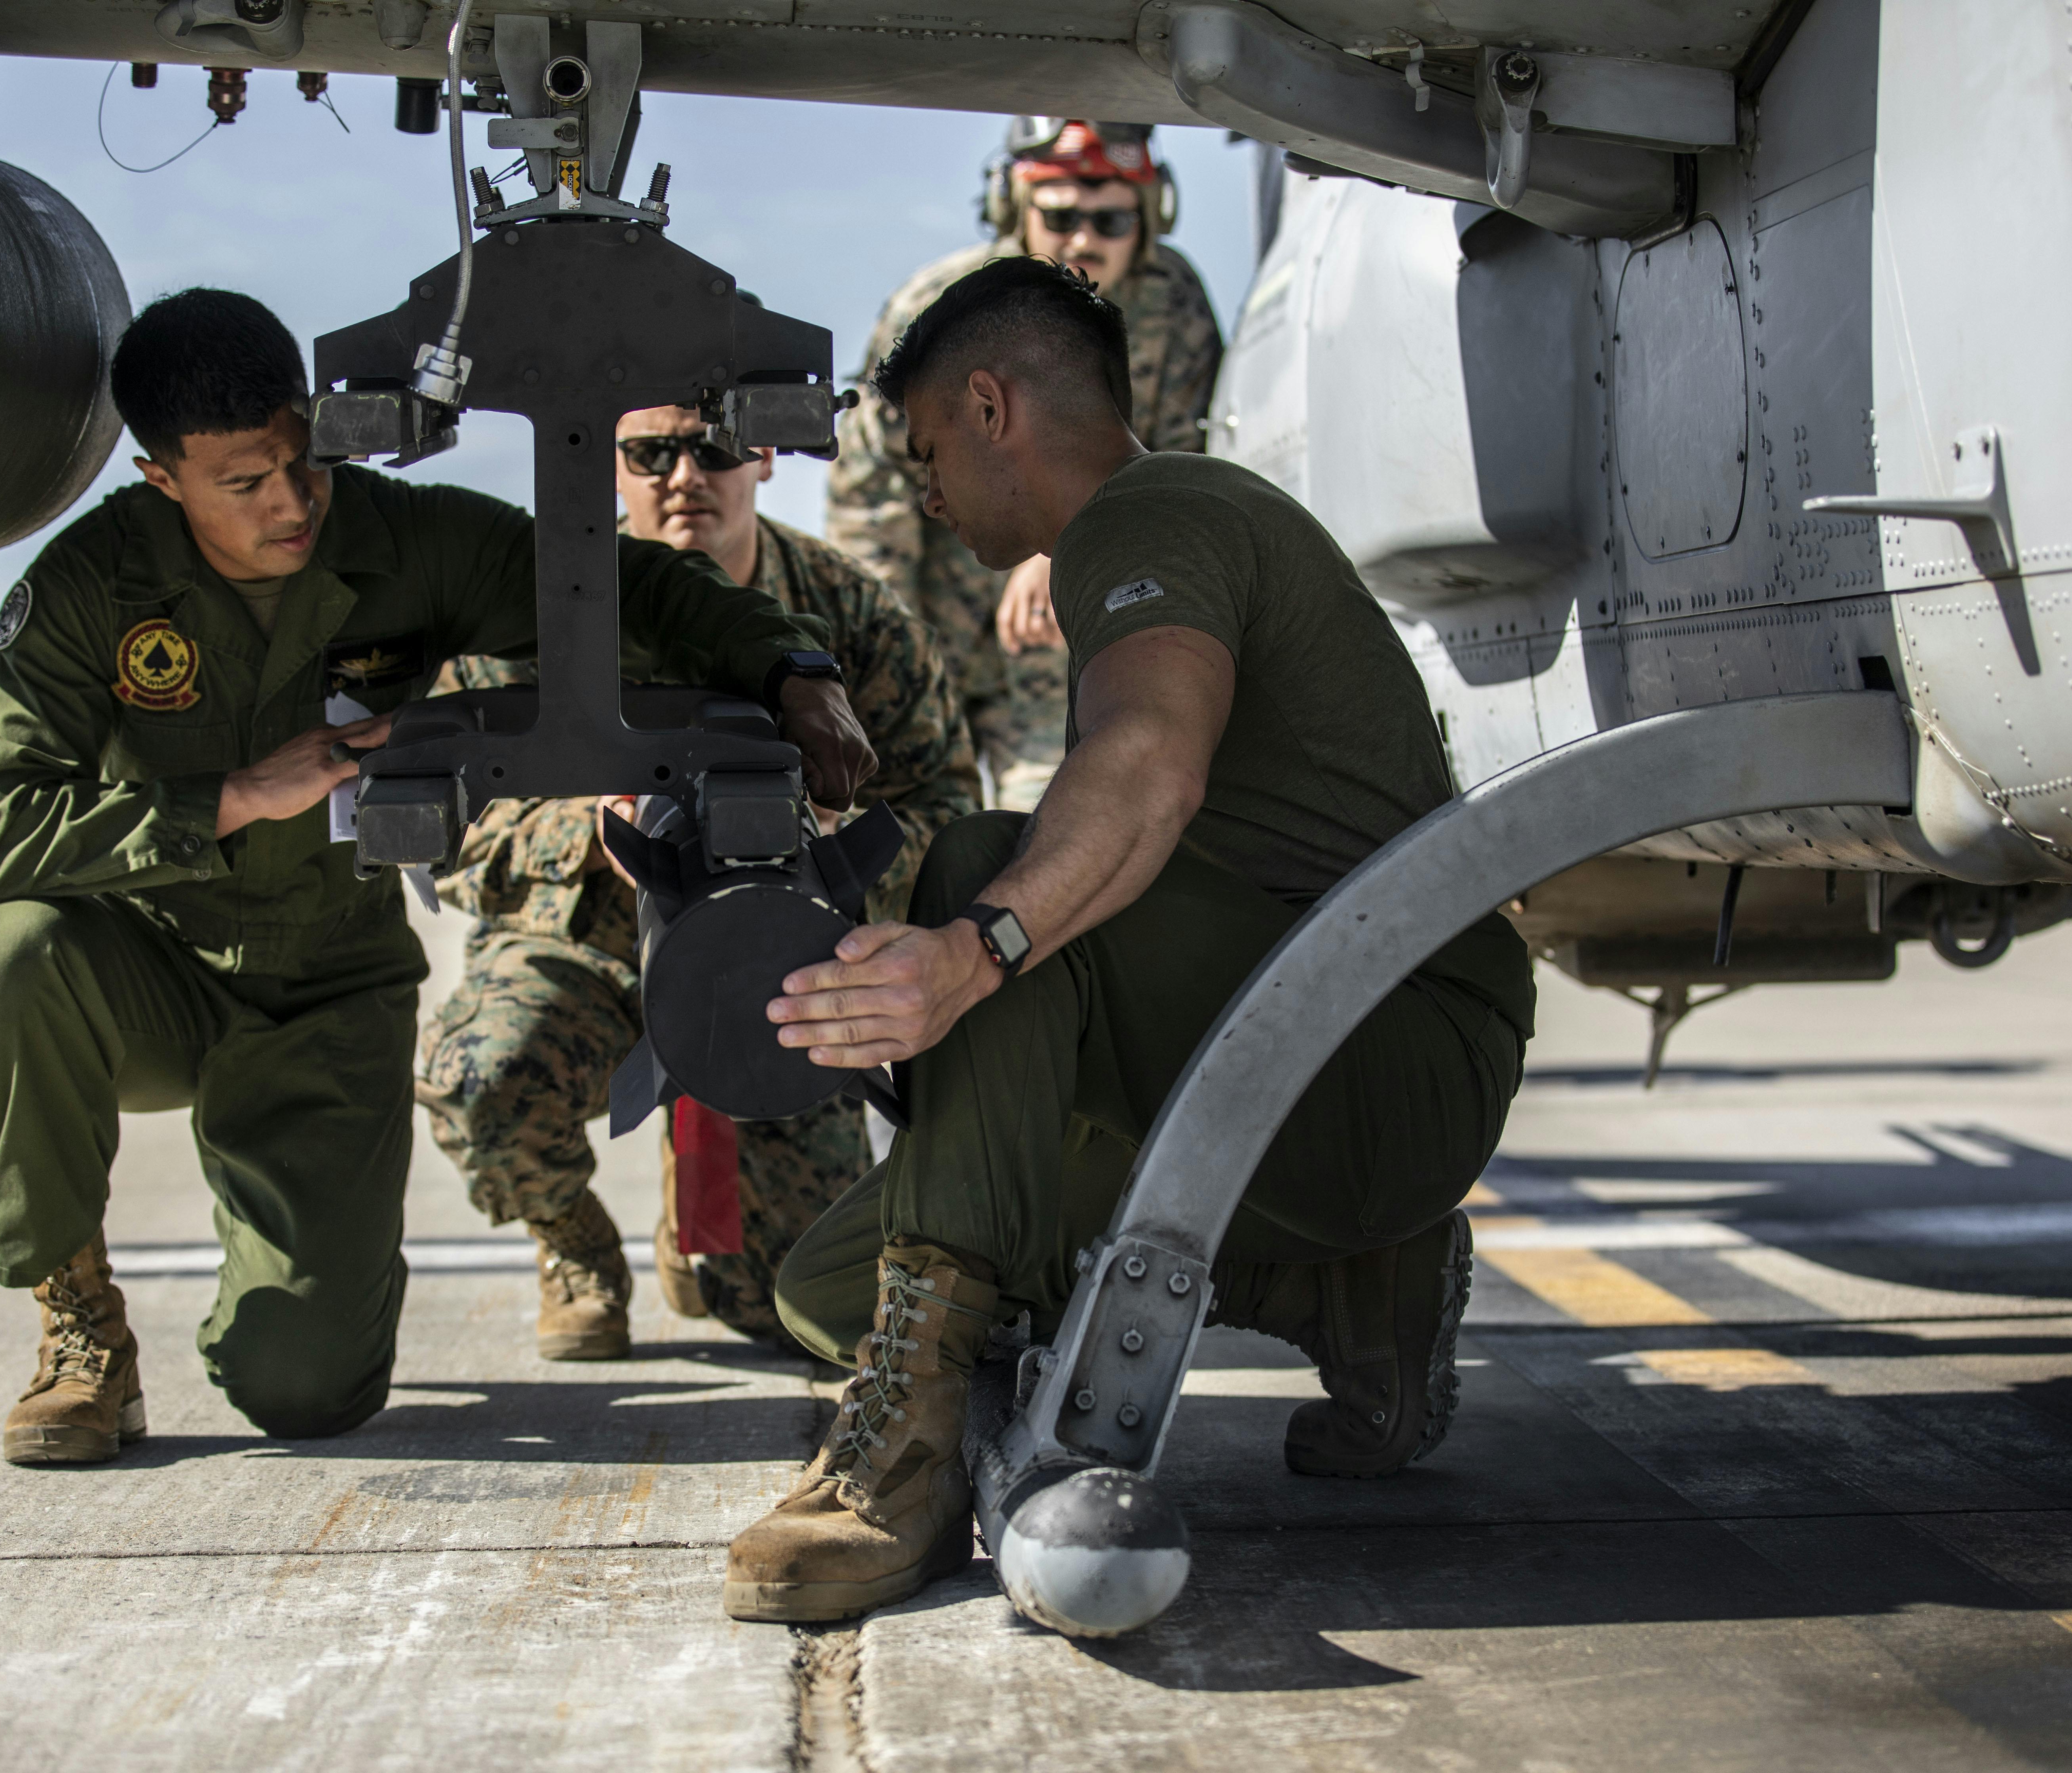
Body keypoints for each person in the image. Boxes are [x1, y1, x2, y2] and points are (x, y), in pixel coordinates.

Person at [719, 259, 1535, 1623]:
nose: (923, 494)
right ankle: (1353, 1289)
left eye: (927, 453)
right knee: (826, 1282)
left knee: (994, 865)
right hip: (1288, 1062)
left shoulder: (1157, 513)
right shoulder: (1157, 529)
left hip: (1384, 1052)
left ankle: (902, 1473)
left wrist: (966, 956)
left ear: (992, 407)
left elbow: (1152, 761)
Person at [0, 290, 873, 1467]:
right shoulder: (90, 591)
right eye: (243, 485)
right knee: (11, 954)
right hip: (150, 973)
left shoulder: (400, 540)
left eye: (302, 462)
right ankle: (80, 1325)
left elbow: (620, 588)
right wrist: (236, 796)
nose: (290, 505)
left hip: (325, 993)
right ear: (159, 478)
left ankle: (297, 1304)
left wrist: (792, 668)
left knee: (309, 1392)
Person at [417, 405, 978, 1359]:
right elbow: (450, 827)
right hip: (590, 948)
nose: (686, 475)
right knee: (483, 1077)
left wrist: (828, 850)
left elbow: (947, 814)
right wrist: (590, 829)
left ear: (762, 454)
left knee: (785, 1308)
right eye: (649, 451)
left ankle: (703, 1217)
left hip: (784, 966)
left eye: (714, 446)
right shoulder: (529, 614)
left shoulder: (848, 617)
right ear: (608, 465)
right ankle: (577, 1246)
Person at [829, 118, 1223, 811]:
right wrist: (889, 653)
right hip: (934, 629)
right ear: (1016, 209)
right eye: (1061, 215)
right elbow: (871, 491)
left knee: (1048, 825)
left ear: (1151, 217)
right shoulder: (939, 310)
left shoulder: (1175, 308)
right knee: (903, 832)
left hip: (1062, 639)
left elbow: (1174, 477)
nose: (1084, 241)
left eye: (1110, 220)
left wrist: (1065, 541)